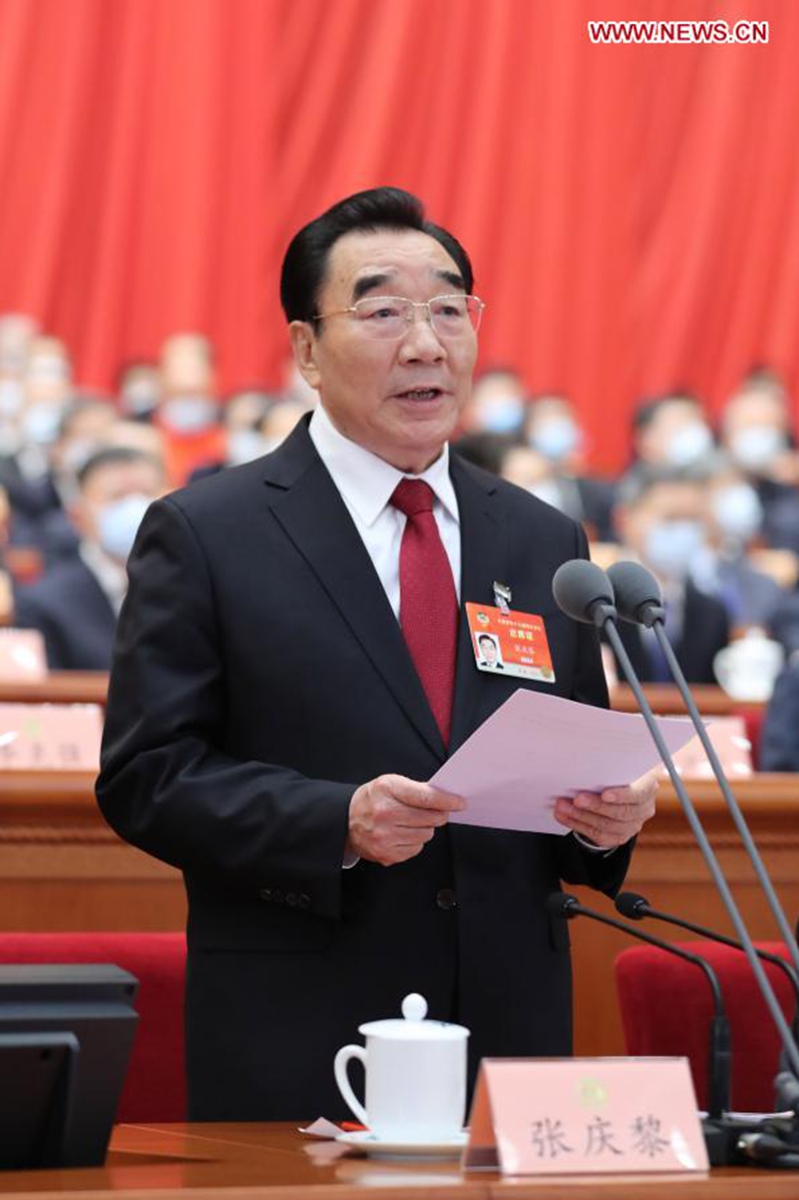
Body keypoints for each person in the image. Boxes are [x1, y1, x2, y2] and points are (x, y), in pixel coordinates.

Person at [96, 187, 656, 1123]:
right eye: (383, 310)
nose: (426, 342)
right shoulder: (208, 532)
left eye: (448, 308)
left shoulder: (541, 538)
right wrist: (334, 821)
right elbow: (147, 775)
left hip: (506, 1037)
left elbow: (562, 768)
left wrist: (604, 821)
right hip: (304, 1032)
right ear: (306, 349)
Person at [14, 446, 166, 669]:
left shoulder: (197, 583)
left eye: (147, 494)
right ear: (77, 515)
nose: (135, 508)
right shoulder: (45, 603)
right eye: (117, 497)